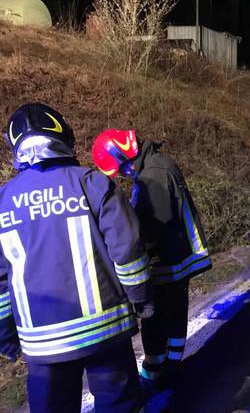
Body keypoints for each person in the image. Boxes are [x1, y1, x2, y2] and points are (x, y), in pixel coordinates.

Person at [0, 103, 153, 413]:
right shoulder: (92, 183)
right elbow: (127, 250)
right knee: (119, 406)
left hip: (42, 344)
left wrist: (5, 336)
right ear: (65, 137)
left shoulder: (3, 201)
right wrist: (142, 300)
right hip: (106, 332)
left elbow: (1, 280)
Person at [91, 130, 212, 401]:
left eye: (121, 167)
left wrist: (127, 252)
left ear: (124, 155)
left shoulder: (152, 176)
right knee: (176, 315)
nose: (122, 174)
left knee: (155, 320)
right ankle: (172, 366)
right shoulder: (157, 164)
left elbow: (150, 229)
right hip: (178, 257)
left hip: (166, 263)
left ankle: (153, 372)